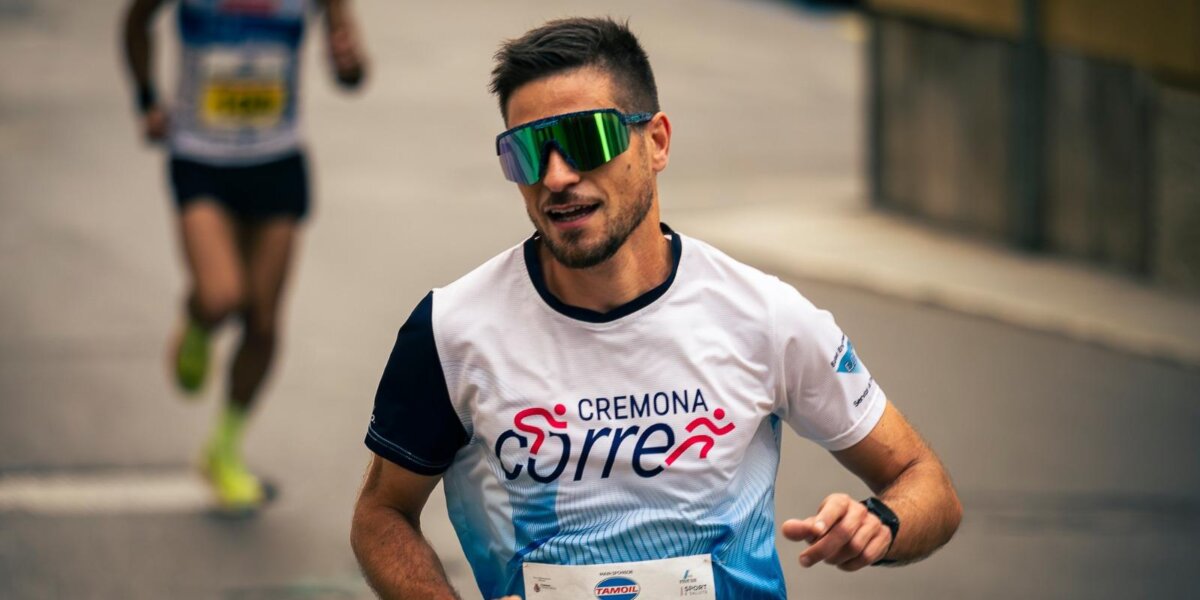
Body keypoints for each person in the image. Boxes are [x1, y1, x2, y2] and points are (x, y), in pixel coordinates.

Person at [351, 17, 960, 600]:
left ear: (657, 142)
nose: (556, 176)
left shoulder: (764, 316)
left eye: (586, 139)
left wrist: (883, 523)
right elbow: (382, 514)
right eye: (527, 152)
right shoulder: (451, 330)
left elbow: (924, 481)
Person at [121, 0, 366, 511]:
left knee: (263, 321)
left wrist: (348, 61)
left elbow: (352, 71)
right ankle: (198, 319)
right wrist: (147, 99)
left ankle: (224, 448)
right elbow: (135, 22)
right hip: (201, 159)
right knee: (221, 295)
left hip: (277, 161)